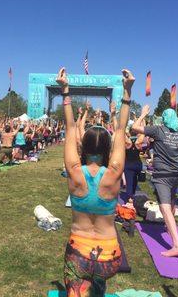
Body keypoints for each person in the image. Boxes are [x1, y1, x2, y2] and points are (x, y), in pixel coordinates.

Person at [56, 67, 135, 297]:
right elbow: (120, 130)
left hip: (78, 253)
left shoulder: (73, 171)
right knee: (97, 287)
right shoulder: (113, 173)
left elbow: (71, 129)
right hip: (109, 256)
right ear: (105, 149)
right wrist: (127, 91)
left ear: (85, 147)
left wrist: (66, 91)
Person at [132, 105, 178, 257]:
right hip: (176, 173)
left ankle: (176, 245)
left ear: (164, 119)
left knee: (165, 207)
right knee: (172, 200)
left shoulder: (158, 130)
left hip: (162, 175)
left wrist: (142, 115)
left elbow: (135, 128)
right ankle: (169, 228)